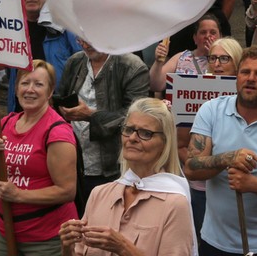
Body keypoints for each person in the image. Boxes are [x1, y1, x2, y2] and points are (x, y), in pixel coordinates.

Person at [185, 45, 257, 256]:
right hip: (214, 242)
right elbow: (192, 168)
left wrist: (252, 184)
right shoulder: (211, 110)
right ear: (237, 76)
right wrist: (227, 158)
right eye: (245, 72)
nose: (250, 78)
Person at [59, 98, 194, 256]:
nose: (132, 138)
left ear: (165, 143)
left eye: (145, 133)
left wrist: (123, 247)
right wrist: (67, 247)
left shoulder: (175, 204)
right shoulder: (99, 194)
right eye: (129, 129)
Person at [0, 60, 78, 256]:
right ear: (16, 88)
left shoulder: (57, 132)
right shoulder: (4, 124)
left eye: (38, 84)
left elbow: (67, 191)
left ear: (50, 92)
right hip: (5, 231)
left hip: (46, 238)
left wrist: (19, 195)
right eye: (25, 83)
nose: (30, 90)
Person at [56, 37, 151, 212]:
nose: (84, 45)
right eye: (80, 40)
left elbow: (136, 119)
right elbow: (60, 97)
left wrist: (91, 115)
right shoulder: (75, 61)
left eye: (89, 40)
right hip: (73, 163)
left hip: (112, 167)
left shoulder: (132, 66)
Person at [175, 37, 241, 233]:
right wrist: (207, 169)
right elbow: (180, 145)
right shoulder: (192, 90)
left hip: (238, 186)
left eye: (224, 58)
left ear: (237, 62)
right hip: (202, 190)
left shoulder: (250, 96)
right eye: (213, 58)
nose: (217, 64)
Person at [152, 15, 221, 92]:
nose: (208, 36)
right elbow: (156, 86)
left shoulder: (227, 59)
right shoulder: (180, 57)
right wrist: (158, 62)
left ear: (220, 37)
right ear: (195, 38)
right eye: (203, 32)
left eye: (213, 32)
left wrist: (213, 56)